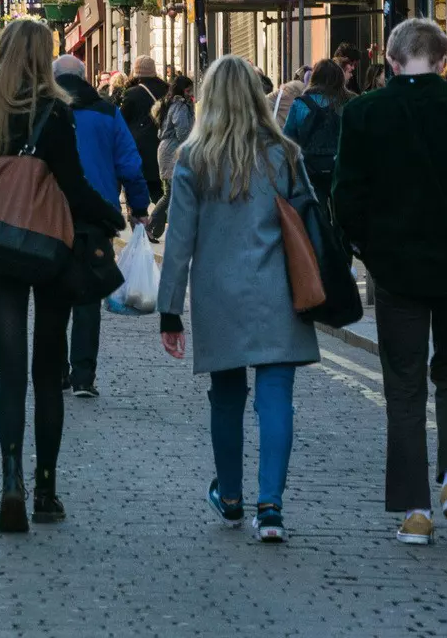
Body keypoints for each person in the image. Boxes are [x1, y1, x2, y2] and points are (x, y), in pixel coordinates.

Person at [331, 17, 447, 546]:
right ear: (441, 58)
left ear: (390, 61)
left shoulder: (364, 112)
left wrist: (369, 250)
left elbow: (346, 197)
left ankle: (415, 510)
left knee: (404, 386)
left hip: (395, 271)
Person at [0, 20, 125, 531]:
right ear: (45, 56)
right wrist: (113, 216)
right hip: (49, 249)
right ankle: (46, 489)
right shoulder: (54, 111)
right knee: (48, 374)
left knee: (10, 375)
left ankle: (11, 483)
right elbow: (72, 188)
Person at [153, 55, 320, 544]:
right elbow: (308, 220)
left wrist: (169, 310)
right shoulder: (284, 153)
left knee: (225, 398)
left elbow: (179, 240)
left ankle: (229, 497)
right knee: (276, 399)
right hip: (278, 291)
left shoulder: (193, 158)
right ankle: (270, 508)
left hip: (218, 294)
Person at [53, 55, 149, 398]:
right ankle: (83, 376)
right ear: (84, 76)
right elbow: (129, 163)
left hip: (49, 215)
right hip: (95, 217)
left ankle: (56, 372)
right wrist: (139, 207)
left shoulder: (43, 111)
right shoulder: (107, 113)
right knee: (88, 295)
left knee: (53, 294)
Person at [283, 59, 348, 199]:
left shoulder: (300, 104)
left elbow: (287, 138)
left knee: (314, 210)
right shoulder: (345, 104)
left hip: (308, 169)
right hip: (340, 168)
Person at [148, 74, 196, 236]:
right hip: (174, 151)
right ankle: (151, 224)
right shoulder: (179, 106)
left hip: (169, 150)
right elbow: (183, 131)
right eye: (188, 90)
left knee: (172, 192)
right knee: (172, 192)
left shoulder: (172, 103)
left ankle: (157, 226)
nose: (190, 93)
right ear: (182, 90)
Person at [120, 56, 171, 206]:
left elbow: (122, 120)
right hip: (165, 143)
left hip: (141, 147)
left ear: (136, 72)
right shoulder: (168, 89)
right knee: (162, 188)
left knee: (145, 187)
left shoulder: (132, 93)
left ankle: (150, 221)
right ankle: (163, 217)